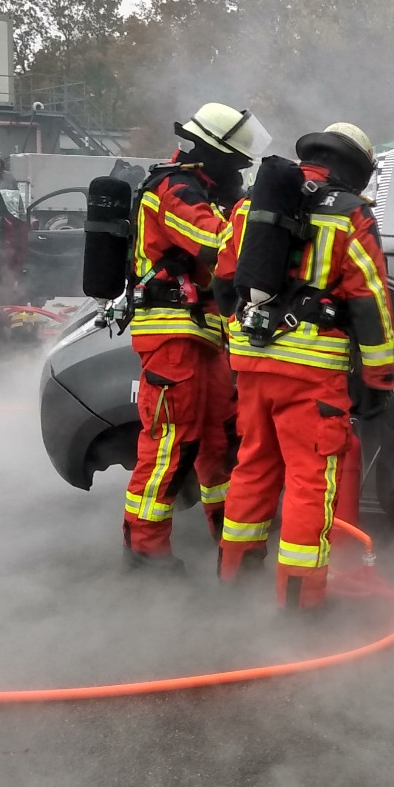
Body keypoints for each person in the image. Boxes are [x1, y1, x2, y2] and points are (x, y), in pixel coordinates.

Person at [214, 122, 394, 609]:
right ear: (357, 168)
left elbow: (224, 280)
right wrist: (378, 377)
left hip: (251, 364)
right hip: (312, 374)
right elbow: (370, 299)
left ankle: (235, 578)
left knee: (252, 466)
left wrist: (247, 337)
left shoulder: (251, 205)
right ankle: (301, 601)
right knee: (309, 482)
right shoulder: (351, 214)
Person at [120, 102, 268, 571]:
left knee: (217, 444)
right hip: (171, 336)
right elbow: (220, 246)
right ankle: (144, 552)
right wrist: (262, 215)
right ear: (212, 155)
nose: (240, 173)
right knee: (170, 443)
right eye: (237, 163)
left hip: (203, 336)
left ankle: (232, 539)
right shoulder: (173, 189)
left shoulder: (201, 191)